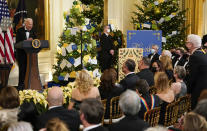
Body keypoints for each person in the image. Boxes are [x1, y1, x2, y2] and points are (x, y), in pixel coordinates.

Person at [185, 34, 207, 109]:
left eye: (187, 42)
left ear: (190, 45)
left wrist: (188, 92)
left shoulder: (194, 56)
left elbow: (192, 77)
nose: (185, 44)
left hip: (199, 91)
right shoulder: (203, 54)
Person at [16, 18, 36, 90]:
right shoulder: (19, 31)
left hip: (30, 56)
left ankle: (29, 86)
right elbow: (17, 43)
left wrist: (33, 40)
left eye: (32, 24)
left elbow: (36, 41)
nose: (31, 26)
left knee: (29, 71)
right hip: (22, 56)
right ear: (26, 24)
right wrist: (26, 41)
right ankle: (21, 86)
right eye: (30, 24)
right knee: (22, 71)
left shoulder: (33, 31)